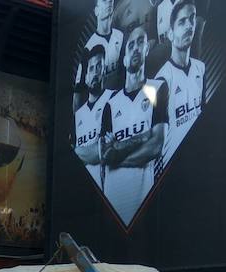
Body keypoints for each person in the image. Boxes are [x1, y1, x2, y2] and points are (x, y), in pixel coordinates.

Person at [100, 23, 163, 226]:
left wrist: (119, 150)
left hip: (143, 203)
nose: (136, 47)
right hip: (112, 202)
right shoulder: (110, 104)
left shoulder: (157, 89)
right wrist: (143, 137)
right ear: (124, 58)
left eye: (140, 42)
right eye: (131, 44)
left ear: (147, 49)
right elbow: (106, 156)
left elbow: (156, 145)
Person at [151, 1, 204, 171]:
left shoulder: (200, 68)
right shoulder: (162, 80)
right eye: (182, 22)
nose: (189, 25)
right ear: (170, 34)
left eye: (192, 19)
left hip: (198, 160)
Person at [74, 45, 113, 189]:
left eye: (99, 67)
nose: (95, 73)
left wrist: (76, 152)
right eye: (91, 69)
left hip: (109, 189)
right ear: (85, 77)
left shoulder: (114, 99)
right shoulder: (78, 116)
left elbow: (103, 151)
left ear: (105, 70)